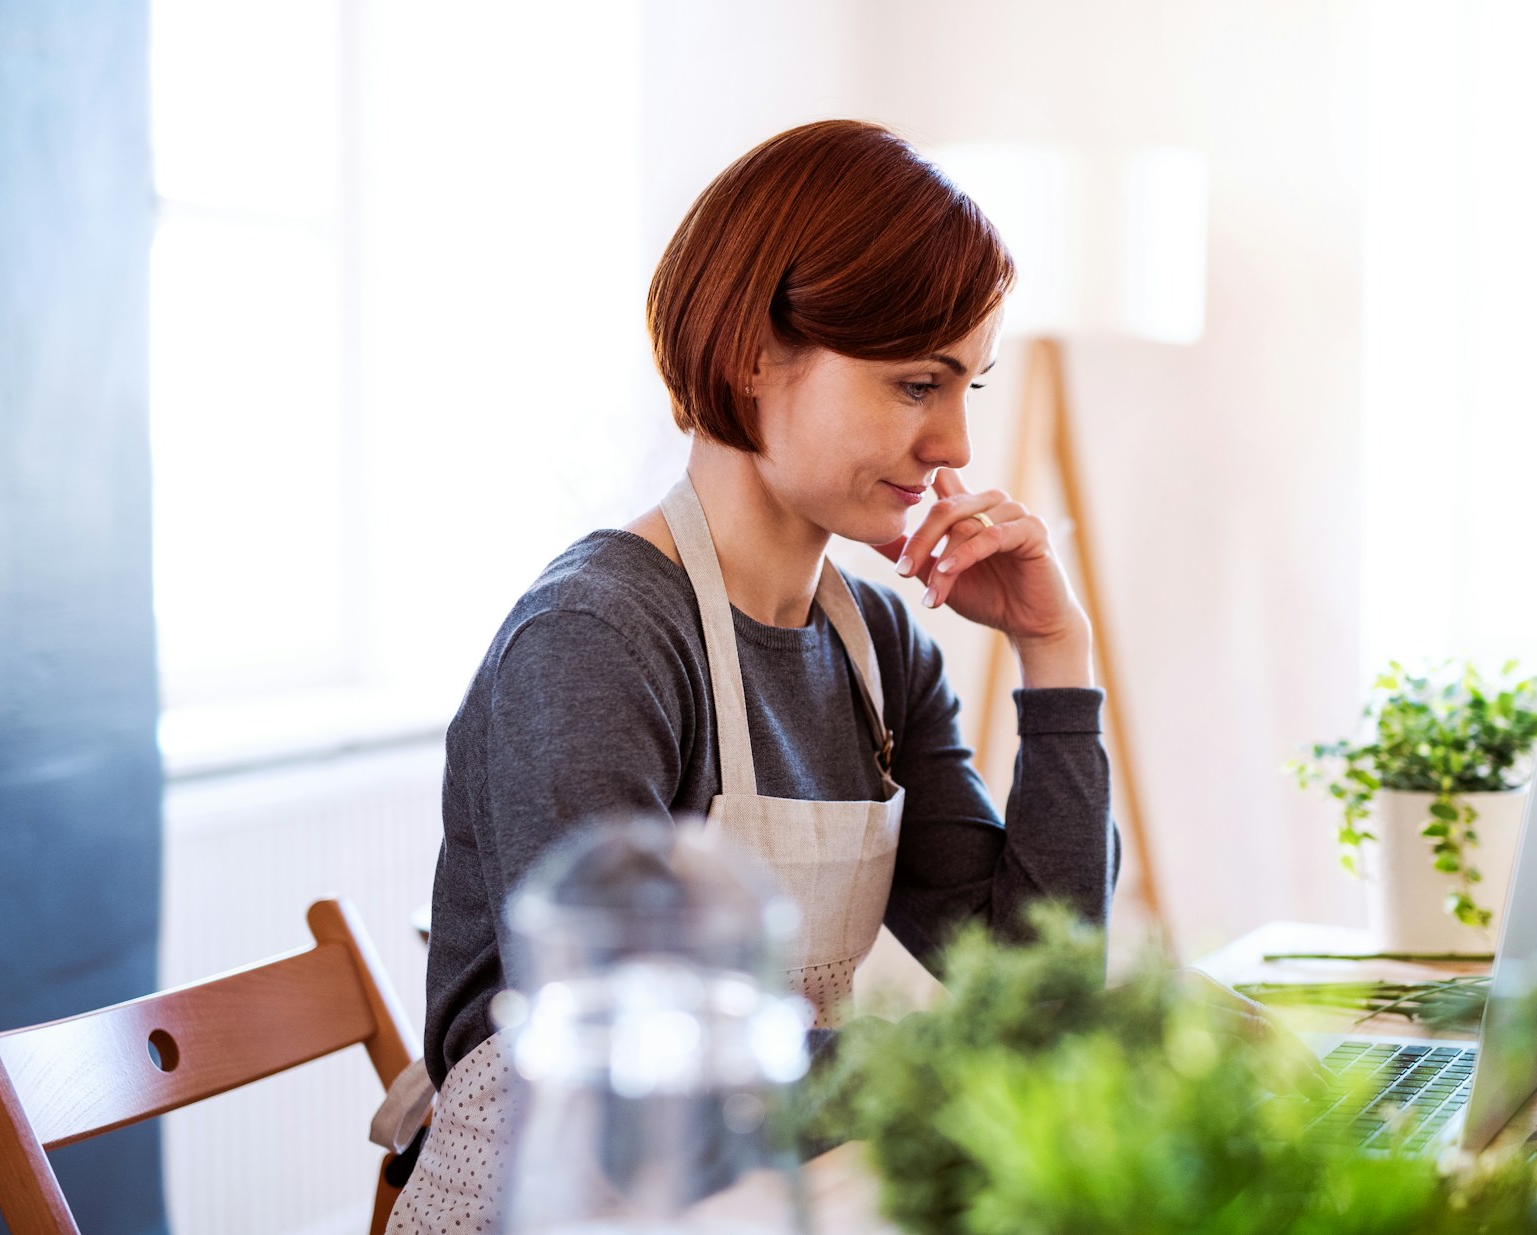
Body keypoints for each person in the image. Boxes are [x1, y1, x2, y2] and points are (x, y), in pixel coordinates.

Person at [385, 118, 1118, 1233]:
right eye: (918, 383)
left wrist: (1055, 657)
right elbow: (637, 1072)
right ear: (751, 355)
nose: (958, 443)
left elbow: (1033, 982)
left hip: (764, 1186)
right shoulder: (597, 636)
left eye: (970, 383)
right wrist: (944, 1073)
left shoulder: (881, 643)